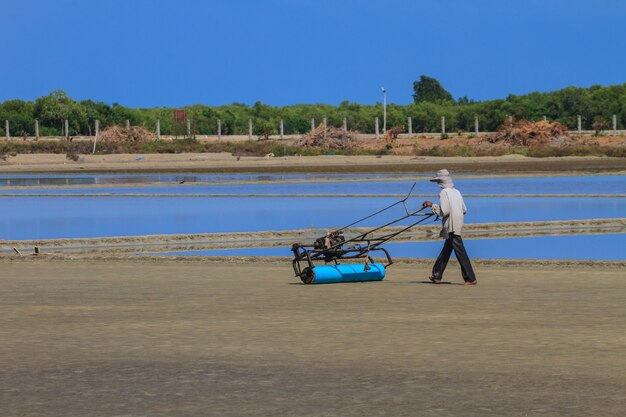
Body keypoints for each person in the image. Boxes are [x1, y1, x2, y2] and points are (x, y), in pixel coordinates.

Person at [422, 169, 477, 285]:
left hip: (451, 225)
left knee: (460, 253)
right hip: (458, 223)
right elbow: (464, 209)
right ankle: (436, 275)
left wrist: (432, 205)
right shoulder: (457, 192)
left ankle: (470, 278)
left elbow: (444, 211)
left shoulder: (444, 192)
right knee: (446, 251)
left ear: (440, 182)